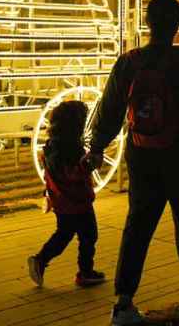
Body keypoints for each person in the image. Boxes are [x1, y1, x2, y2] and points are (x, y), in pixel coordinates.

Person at [87, 0, 179, 326]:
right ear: (178, 25)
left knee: (137, 225)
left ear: (148, 24)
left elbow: (109, 111)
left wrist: (96, 147)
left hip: (142, 153)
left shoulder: (130, 61)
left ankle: (123, 303)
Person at [27, 100, 107, 288]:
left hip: (61, 200)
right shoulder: (70, 147)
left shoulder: (52, 145)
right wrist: (89, 164)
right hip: (77, 199)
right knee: (89, 235)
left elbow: (53, 172)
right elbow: (72, 173)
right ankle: (85, 272)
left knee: (64, 234)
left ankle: (41, 260)